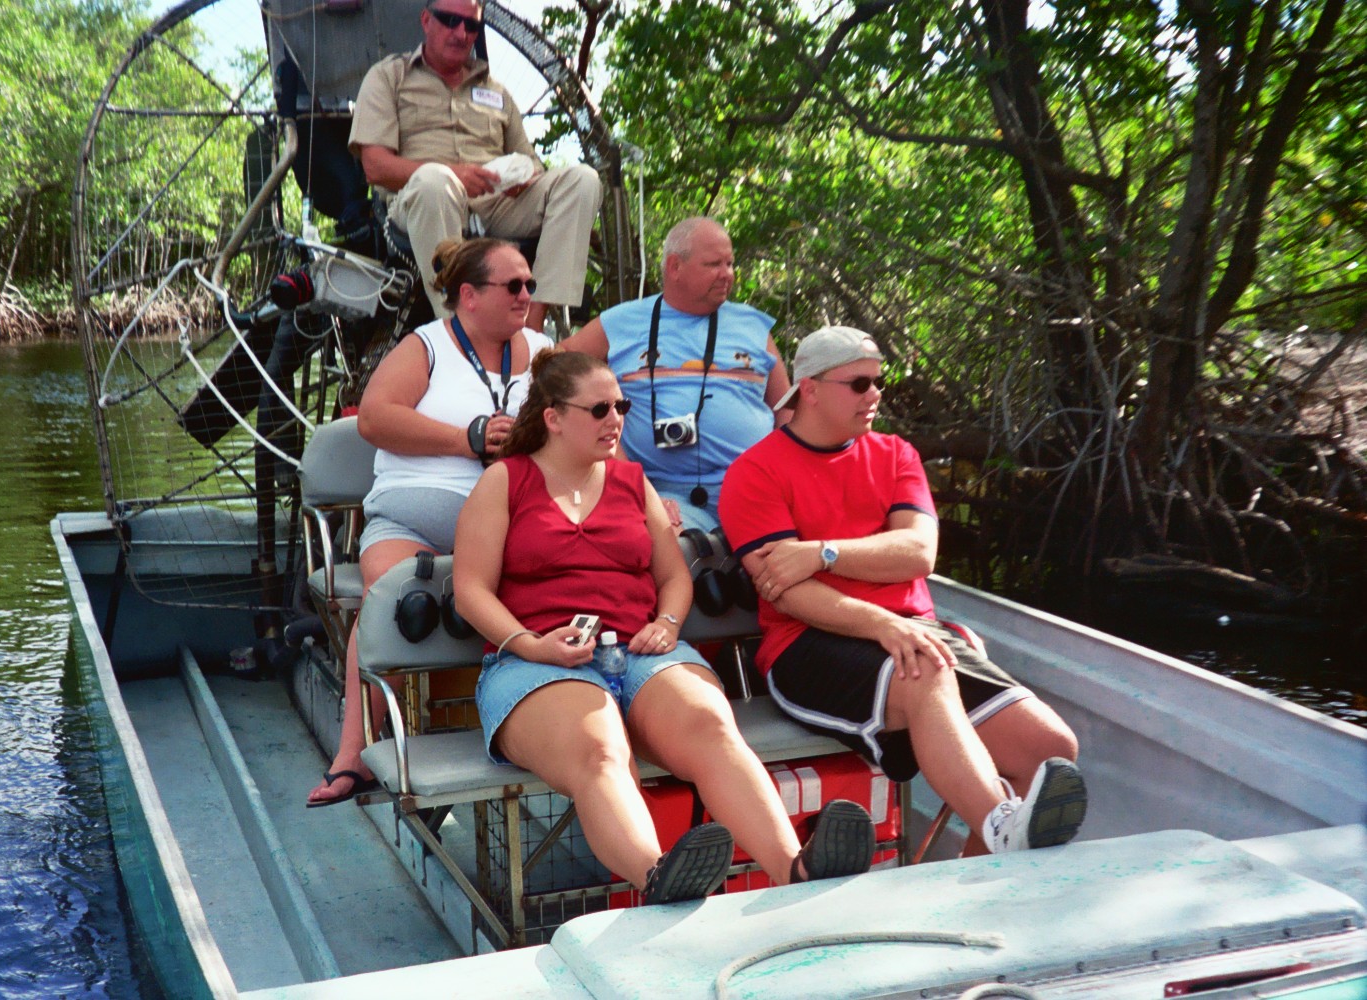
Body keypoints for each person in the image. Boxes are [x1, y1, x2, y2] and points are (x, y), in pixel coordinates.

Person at [451, 351, 877, 900]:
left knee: (711, 728)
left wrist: (670, 622)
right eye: (600, 408)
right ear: (553, 417)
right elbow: (471, 590)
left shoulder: (633, 482)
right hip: (533, 663)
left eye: (621, 405)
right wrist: (532, 645)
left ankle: (797, 870)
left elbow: (674, 575)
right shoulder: (504, 482)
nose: (616, 419)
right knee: (600, 749)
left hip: (641, 650)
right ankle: (661, 879)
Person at [718, 326, 1089, 856]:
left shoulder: (896, 455)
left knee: (1051, 748)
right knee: (926, 671)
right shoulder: (754, 473)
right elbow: (786, 594)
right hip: (807, 644)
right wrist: (881, 621)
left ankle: (983, 885)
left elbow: (918, 554)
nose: (875, 395)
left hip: (915, 634)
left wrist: (823, 552)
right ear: (811, 388)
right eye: (860, 383)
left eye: (879, 383)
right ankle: (1000, 826)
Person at [306, 237, 554, 807]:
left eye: (530, 286)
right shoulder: (427, 347)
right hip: (412, 524)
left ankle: (545, 734)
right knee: (389, 597)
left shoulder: (543, 351)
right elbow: (374, 418)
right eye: (513, 285)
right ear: (469, 295)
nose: (526, 296)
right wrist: (467, 438)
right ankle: (353, 756)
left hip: (511, 529)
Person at [349, 0, 602, 331]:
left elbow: (530, 163)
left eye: (471, 25)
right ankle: (459, 332)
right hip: (421, 203)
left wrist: (521, 178)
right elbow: (375, 167)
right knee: (435, 181)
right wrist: (456, 175)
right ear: (426, 21)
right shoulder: (388, 77)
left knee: (583, 180)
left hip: (496, 204)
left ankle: (532, 328)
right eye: (450, 20)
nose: (461, 32)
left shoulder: (496, 92)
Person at [561, 217, 790, 531]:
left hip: (753, 487)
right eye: (713, 264)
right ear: (674, 266)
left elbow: (788, 408)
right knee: (672, 548)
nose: (727, 274)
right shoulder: (621, 322)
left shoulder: (754, 325)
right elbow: (557, 370)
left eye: (730, 263)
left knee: (781, 560)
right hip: (658, 491)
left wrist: (787, 476)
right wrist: (632, 481)